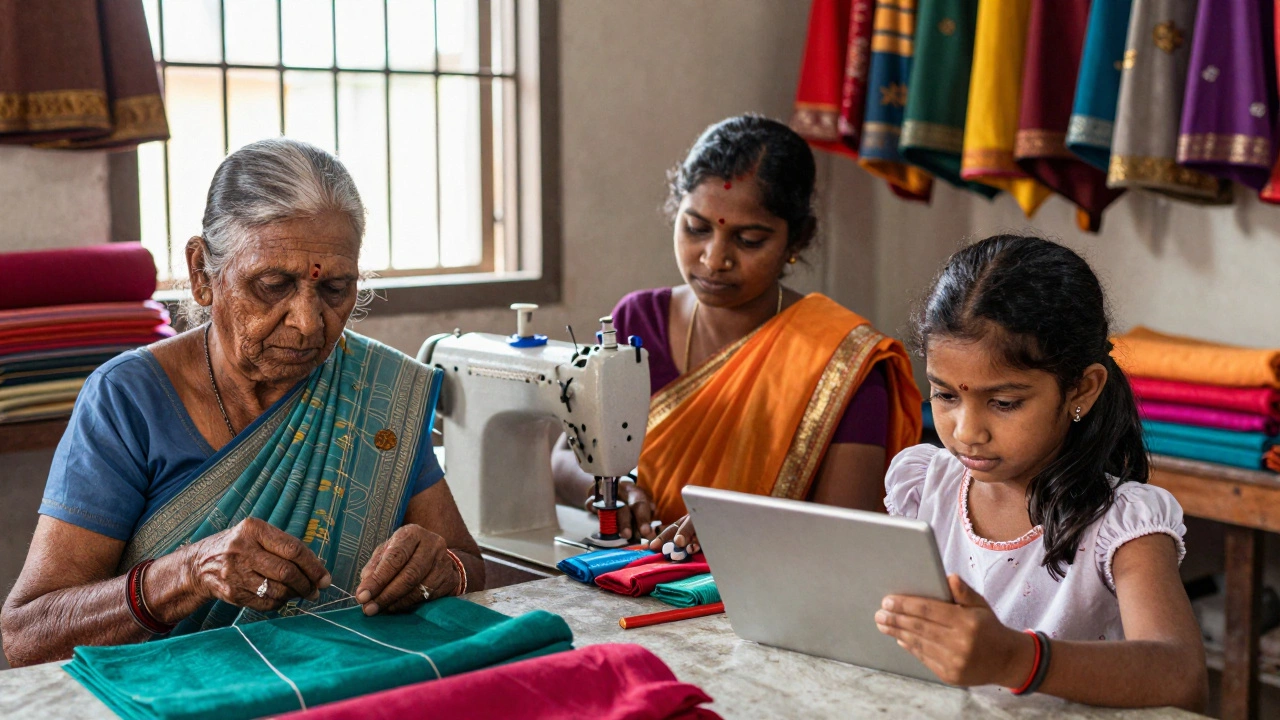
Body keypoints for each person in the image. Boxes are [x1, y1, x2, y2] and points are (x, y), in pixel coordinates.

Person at [1, 139, 483, 667]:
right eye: (273, 285)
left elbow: (467, 565)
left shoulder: (378, 392)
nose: (307, 322)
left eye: (335, 290)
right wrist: (186, 574)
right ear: (203, 274)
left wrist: (440, 570)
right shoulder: (129, 400)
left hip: (339, 687)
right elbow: (26, 635)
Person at [552, 115, 922, 554]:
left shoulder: (841, 360)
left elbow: (845, 535)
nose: (713, 259)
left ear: (797, 241)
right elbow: (563, 459)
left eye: (748, 240)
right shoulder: (636, 321)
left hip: (766, 597)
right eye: (696, 228)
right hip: (635, 574)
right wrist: (619, 493)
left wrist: (730, 530)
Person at [875, 235, 1206, 709]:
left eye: (1004, 403)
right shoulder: (925, 485)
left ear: (1082, 390)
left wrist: (1015, 659)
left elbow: (1182, 677)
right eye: (946, 395)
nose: (967, 432)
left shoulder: (1121, 524)